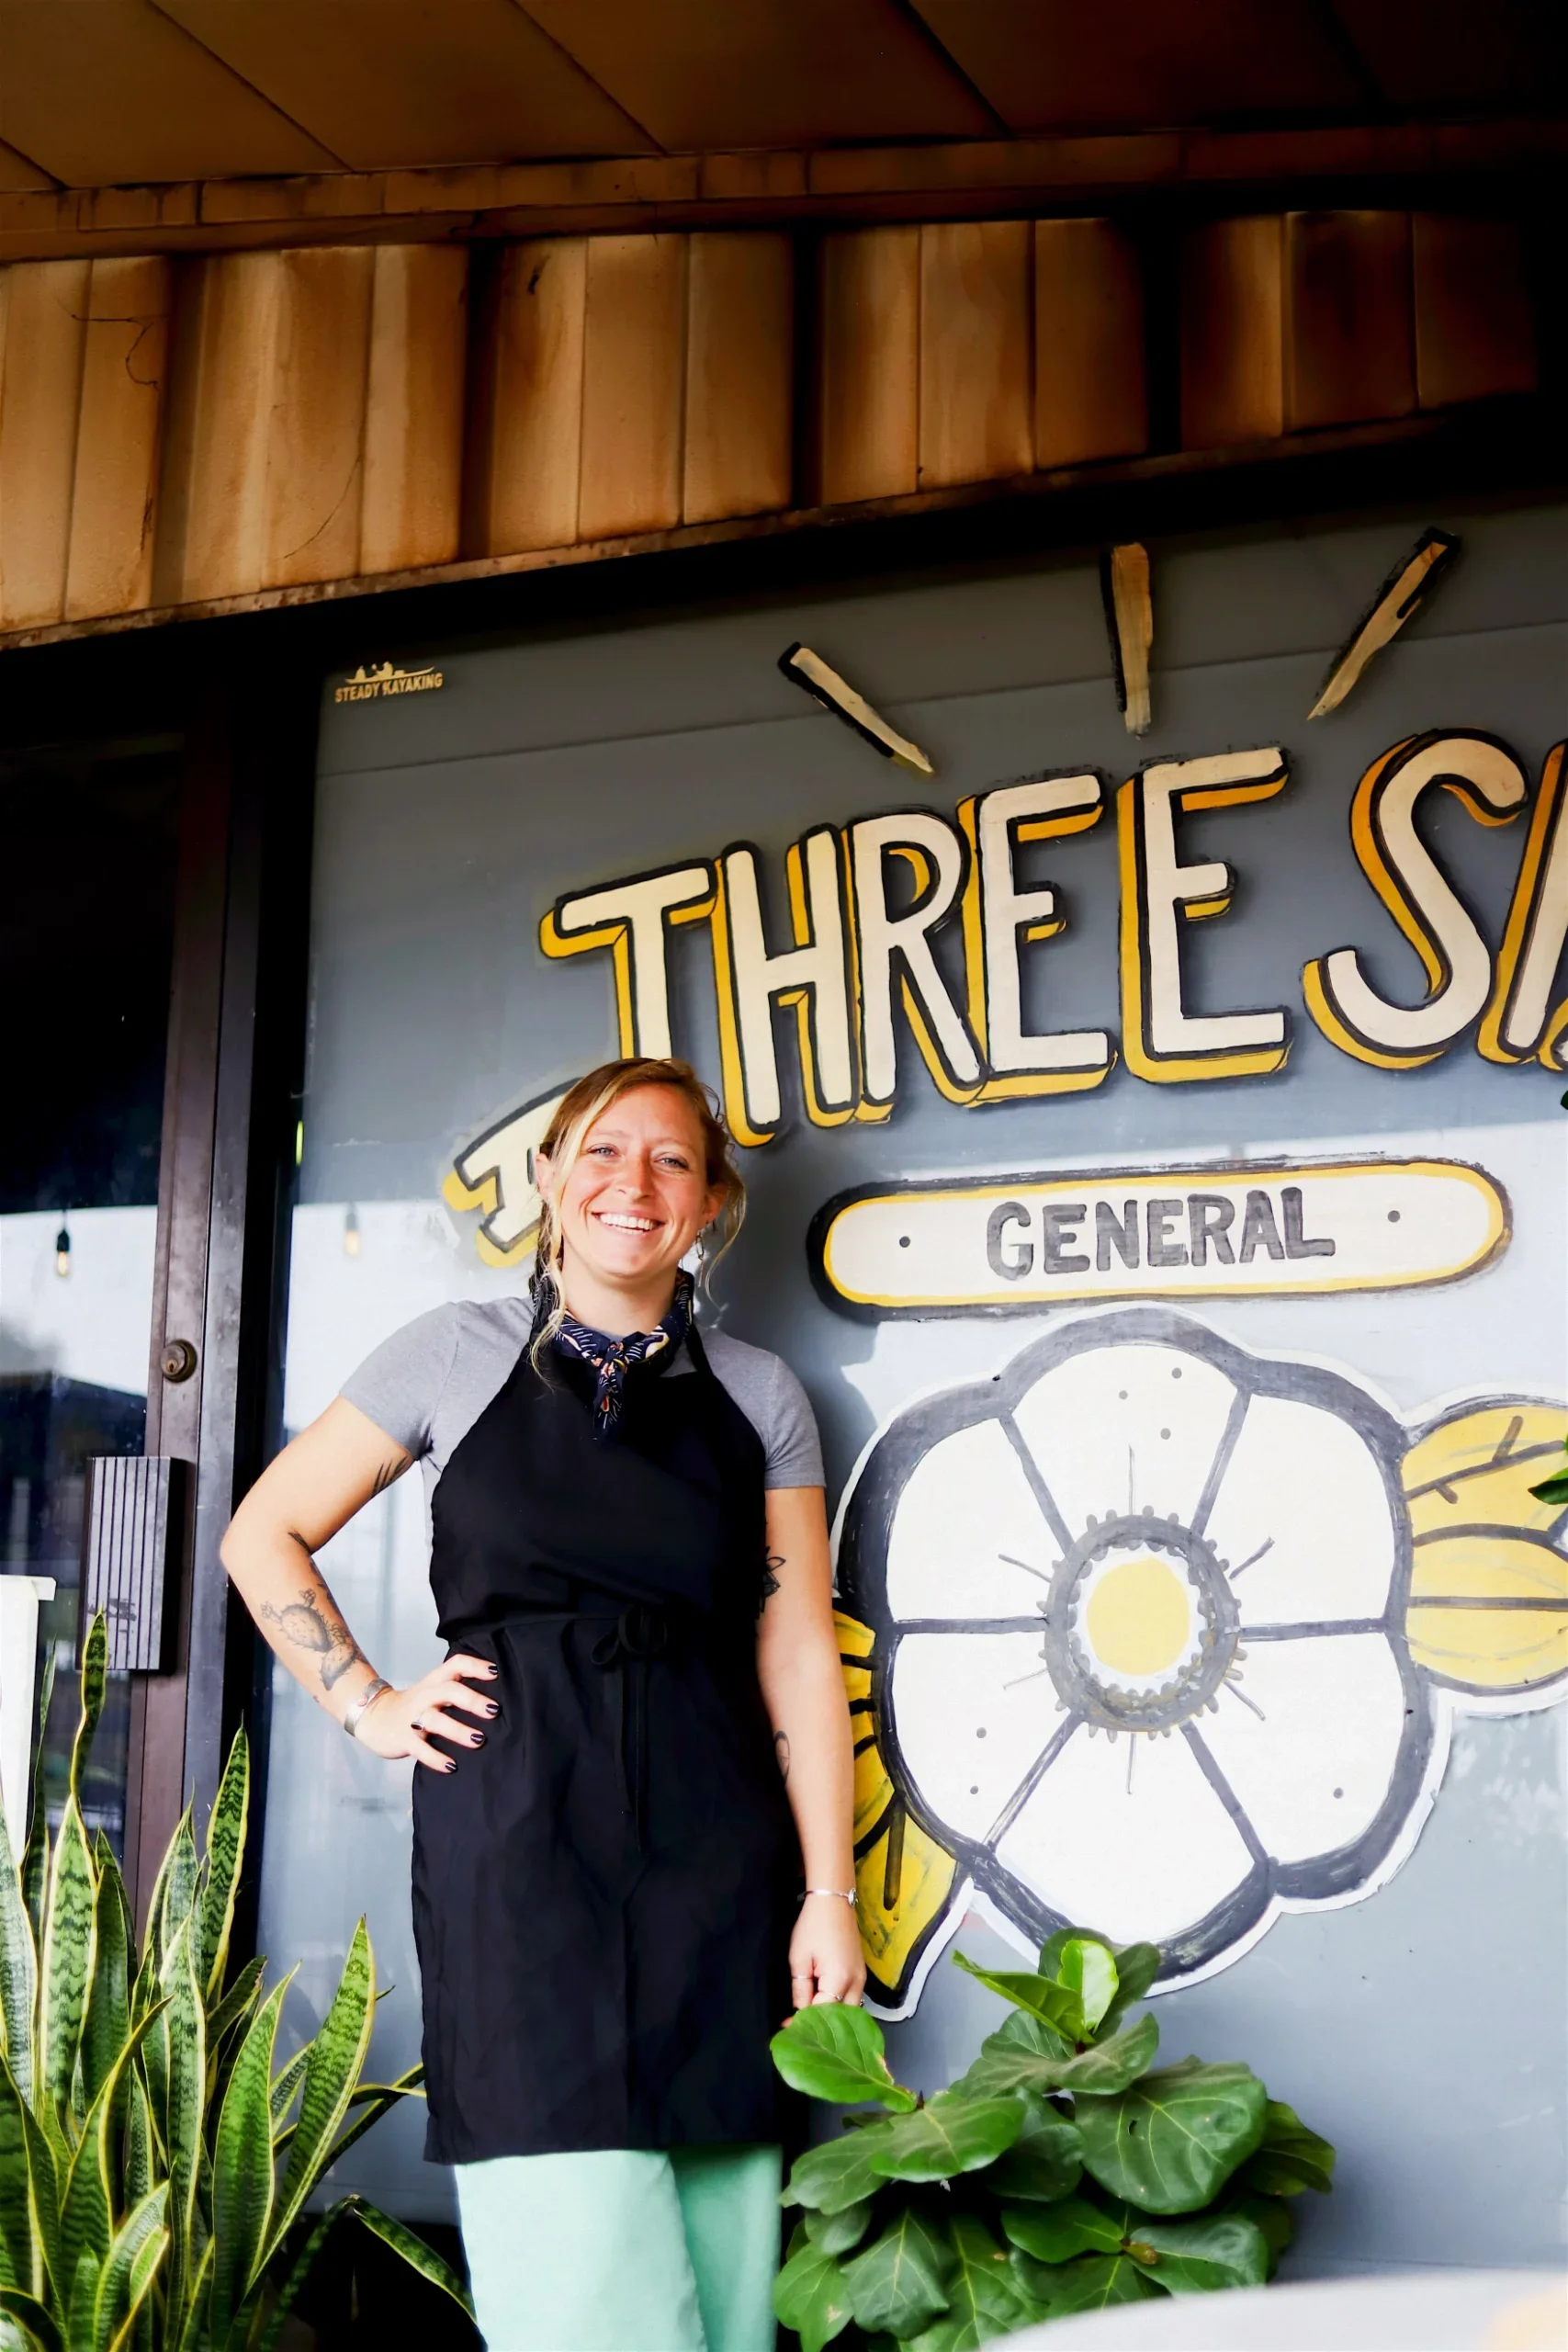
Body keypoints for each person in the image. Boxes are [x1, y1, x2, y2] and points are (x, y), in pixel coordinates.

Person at [222, 1057, 863, 2352]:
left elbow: (797, 1649)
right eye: (604, 1152)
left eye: (673, 1160)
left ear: (710, 1202)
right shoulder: (449, 1354)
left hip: (716, 1849)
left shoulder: (759, 1395)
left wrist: (827, 1892)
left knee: (726, 2265)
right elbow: (262, 1534)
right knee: (572, 2270)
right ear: (551, 1178)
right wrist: (366, 1702)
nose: (636, 1183)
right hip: (517, 1845)